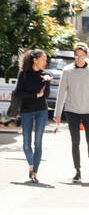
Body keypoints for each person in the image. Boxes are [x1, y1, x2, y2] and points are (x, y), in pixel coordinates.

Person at [53, 43, 89, 182]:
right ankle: (77, 170)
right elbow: (61, 92)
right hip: (72, 111)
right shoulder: (67, 71)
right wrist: (57, 114)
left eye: (81, 56)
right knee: (75, 141)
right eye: (76, 56)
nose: (79, 58)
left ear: (86, 56)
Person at [14, 48, 52, 183]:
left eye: (45, 60)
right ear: (35, 60)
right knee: (26, 144)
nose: (45, 62)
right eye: (42, 60)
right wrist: (35, 95)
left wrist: (47, 82)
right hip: (26, 112)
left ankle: (34, 172)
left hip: (41, 110)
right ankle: (31, 165)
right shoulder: (23, 74)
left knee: (38, 143)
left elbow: (46, 95)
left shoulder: (45, 74)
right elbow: (18, 93)